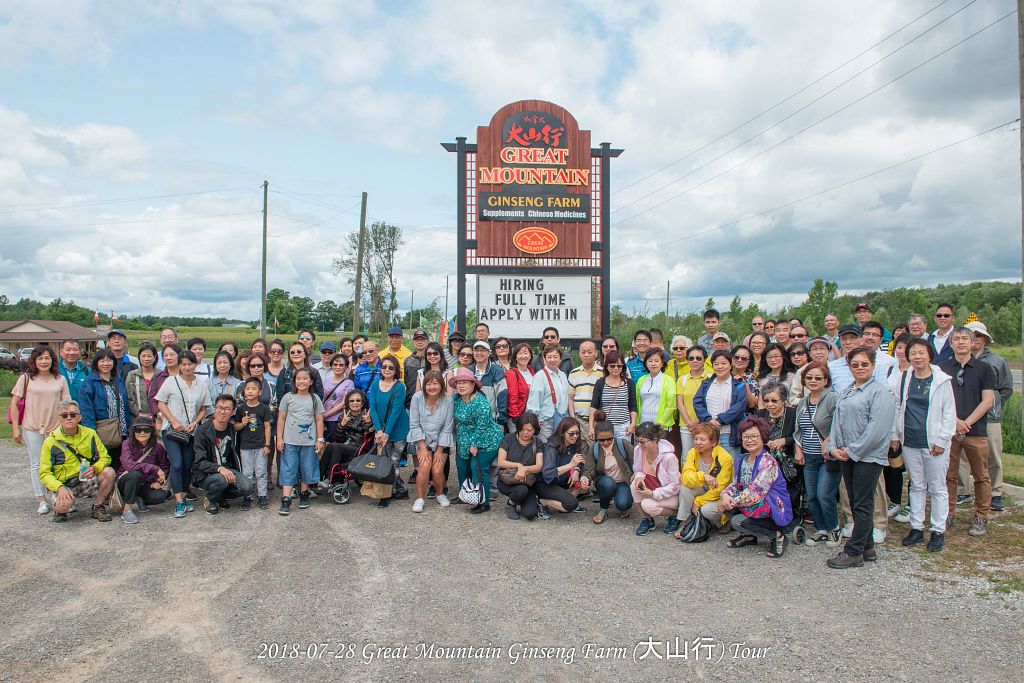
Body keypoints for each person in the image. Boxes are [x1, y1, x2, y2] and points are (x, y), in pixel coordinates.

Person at [827, 348, 897, 569]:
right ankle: (868, 547)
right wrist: (833, 447)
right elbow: (837, 421)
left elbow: (877, 429)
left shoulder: (880, 393)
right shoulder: (847, 391)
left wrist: (853, 450)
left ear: (873, 366)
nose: (859, 368)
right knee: (856, 501)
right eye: (855, 364)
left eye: (864, 364)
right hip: (846, 455)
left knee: (863, 503)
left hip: (868, 457)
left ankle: (854, 551)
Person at [891, 338, 955, 553]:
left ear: (930, 354)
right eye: (913, 353)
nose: (917, 357)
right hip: (910, 440)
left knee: (937, 487)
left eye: (921, 352)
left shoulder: (942, 380)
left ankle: (938, 530)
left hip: (933, 442)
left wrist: (942, 440)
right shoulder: (904, 378)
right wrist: (895, 434)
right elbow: (898, 406)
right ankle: (916, 527)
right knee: (917, 485)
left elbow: (949, 413)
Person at [938, 327, 994, 536]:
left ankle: (981, 516)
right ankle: (948, 513)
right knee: (948, 475)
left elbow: (987, 401)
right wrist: (955, 422)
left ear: (972, 343)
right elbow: (938, 401)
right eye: (956, 339)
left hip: (976, 430)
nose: (960, 342)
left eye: (964, 338)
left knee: (981, 475)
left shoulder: (984, 368)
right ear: (951, 343)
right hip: (949, 430)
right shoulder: (942, 368)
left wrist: (966, 423)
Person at [719, 416, 794, 557]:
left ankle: (778, 535)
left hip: (770, 506)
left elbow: (755, 494)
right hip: (750, 503)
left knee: (736, 520)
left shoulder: (768, 462)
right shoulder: (741, 459)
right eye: (746, 437)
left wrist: (730, 502)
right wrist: (724, 495)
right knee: (725, 503)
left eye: (754, 436)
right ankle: (749, 536)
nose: (750, 440)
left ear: (763, 437)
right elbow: (735, 484)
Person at [10, 345, 71, 513]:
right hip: (32, 427)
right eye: (40, 358)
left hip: (56, 429)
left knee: (58, 463)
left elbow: (67, 404)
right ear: (34, 361)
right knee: (37, 464)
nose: (44, 361)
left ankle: (59, 496)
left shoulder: (60, 379)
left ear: (53, 360)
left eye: (47, 358)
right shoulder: (26, 378)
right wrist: (15, 429)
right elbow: (14, 404)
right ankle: (42, 499)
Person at [961, 321, 1012, 512]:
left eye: (979, 336)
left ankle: (995, 493)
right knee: (962, 456)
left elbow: (1006, 389)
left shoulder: (997, 361)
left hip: (990, 418)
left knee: (993, 456)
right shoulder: (958, 360)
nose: (975, 340)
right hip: (963, 417)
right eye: (971, 336)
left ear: (985, 339)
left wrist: (994, 404)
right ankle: (963, 491)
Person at [39, 400, 116, 522]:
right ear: (59, 418)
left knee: (109, 472)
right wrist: (59, 487)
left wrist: (95, 468)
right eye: (64, 415)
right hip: (64, 485)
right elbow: (44, 473)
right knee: (63, 506)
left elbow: (105, 457)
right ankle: (61, 510)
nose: (69, 418)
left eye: (73, 414)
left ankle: (98, 507)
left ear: (79, 417)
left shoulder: (90, 434)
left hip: (85, 480)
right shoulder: (50, 441)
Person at [155, 349, 210, 518]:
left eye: (190, 364)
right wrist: (173, 421)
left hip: (190, 432)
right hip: (171, 430)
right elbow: (161, 403)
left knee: (187, 465)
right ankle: (178, 501)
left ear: (195, 365)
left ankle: (184, 497)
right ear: (179, 365)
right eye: (183, 364)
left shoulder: (201, 385)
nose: (186, 367)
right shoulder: (171, 381)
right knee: (177, 464)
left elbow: (204, 408)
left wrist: (195, 422)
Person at [793, 361, 841, 546]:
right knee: (812, 496)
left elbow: (839, 424)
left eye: (818, 378)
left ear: (826, 381)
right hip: (808, 457)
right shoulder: (802, 402)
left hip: (827, 457)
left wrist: (828, 442)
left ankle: (834, 528)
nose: (813, 381)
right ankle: (821, 529)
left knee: (824, 494)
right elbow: (798, 430)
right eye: (809, 377)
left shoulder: (832, 399)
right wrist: (798, 449)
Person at [451, 367, 504, 514]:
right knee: (461, 466)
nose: (461, 385)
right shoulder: (457, 398)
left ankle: (483, 502)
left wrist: (474, 444)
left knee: (478, 468)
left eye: (465, 382)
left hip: (487, 440)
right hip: (464, 439)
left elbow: (482, 427)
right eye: (458, 382)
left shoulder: (480, 402)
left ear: (473, 384)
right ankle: (465, 494)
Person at [276, 368, 326, 515]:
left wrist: (320, 439)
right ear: (294, 381)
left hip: (309, 442)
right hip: (290, 441)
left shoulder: (315, 399)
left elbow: (319, 420)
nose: (301, 381)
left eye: (305, 379)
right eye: (298, 379)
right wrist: (279, 438)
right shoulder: (288, 397)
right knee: (288, 468)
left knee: (307, 467)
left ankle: (304, 493)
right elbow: (281, 419)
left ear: (311, 382)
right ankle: (286, 498)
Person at [192, 394, 252, 514]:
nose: (223, 412)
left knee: (247, 487)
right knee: (221, 480)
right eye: (219, 408)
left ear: (232, 412)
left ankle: (220, 495)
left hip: (228, 469)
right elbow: (199, 461)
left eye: (227, 409)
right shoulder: (203, 430)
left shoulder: (232, 430)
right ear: (215, 409)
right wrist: (220, 468)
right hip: (207, 473)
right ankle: (210, 499)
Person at [673, 422, 733, 536]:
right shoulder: (693, 452)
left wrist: (698, 502)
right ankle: (685, 523)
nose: (698, 442)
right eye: (696, 439)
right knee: (685, 488)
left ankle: (723, 523)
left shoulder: (725, 458)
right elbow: (685, 477)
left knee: (706, 510)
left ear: (713, 442)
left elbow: (720, 488)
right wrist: (703, 476)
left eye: (702, 439)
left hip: (718, 495)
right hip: (703, 489)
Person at [407, 371, 454, 512]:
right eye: (428, 384)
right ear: (424, 385)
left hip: (441, 440)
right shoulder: (417, 398)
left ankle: (440, 494)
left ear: (441, 385)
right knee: (424, 467)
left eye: (435, 383)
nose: (432, 387)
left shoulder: (448, 400)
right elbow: (414, 424)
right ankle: (420, 498)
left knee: (437, 469)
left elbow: (447, 427)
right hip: (422, 438)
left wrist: (439, 450)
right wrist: (422, 448)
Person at [78, 349, 130, 471]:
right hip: (102, 432)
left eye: (109, 360)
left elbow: (125, 405)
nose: (106, 364)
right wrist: (92, 434)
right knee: (105, 464)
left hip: (121, 431)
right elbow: (86, 410)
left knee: (120, 464)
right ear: (96, 363)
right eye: (102, 361)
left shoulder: (117, 379)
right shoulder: (89, 382)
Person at [368, 356, 410, 506]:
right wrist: (379, 430)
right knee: (384, 461)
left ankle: (388, 493)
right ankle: (398, 489)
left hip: (398, 429)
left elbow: (396, 411)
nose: (387, 370)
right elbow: (373, 408)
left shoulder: (399, 386)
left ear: (395, 370)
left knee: (394, 461)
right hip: (381, 429)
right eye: (384, 366)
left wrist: (387, 433)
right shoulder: (375, 384)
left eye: (391, 367)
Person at [115, 415, 171, 523]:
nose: (142, 433)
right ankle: (127, 510)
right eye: (138, 429)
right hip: (126, 481)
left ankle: (139, 499)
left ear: (151, 431)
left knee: (161, 496)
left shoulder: (158, 447)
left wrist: (158, 481)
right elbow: (130, 465)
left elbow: (165, 466)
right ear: (133, 431)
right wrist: (154, 468)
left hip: (145, 483)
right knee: (135, 475)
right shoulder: (127, 444)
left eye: (146, 430)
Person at [693, 350, 748, 459]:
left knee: (730, 465)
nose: (720, 367)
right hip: (708, 434)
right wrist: (708, 420)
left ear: (730, 365)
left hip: (728, 434)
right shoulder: (706, 383)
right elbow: (697, 402)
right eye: (716, 364)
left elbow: (739, 407)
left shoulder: (738, 385)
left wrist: (720, 420)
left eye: (723, 363)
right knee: (708, 465)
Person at [630, 422, 681, 535]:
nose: (640, 445)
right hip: (653, 486)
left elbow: (675, 485)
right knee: (634, 485)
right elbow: (638, 469)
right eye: (638, 441)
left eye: (643, 442)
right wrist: (639, 478)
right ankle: (647, 520)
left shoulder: (669, 457)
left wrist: (653, 494)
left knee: (647, 505)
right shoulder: (638, 450)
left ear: (655, 440)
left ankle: (675, 515)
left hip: (672, 494)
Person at [755, 385, 798, 518]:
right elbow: (756, 435)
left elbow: (800, 435)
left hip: (788, 458)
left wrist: (785, 440)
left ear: (783, 400)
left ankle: (789, 513)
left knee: (789, 489)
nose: (770, 404)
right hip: (767, 460)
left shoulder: (792, 413)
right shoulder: (761, 414)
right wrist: (765, 442)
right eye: (766, 400)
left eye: (774, 401)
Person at [496, 412, 546, 520]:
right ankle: (511, 503)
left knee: (530, 514)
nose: (525, 433)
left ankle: (526, 499)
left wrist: (525, 469)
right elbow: (500, 462)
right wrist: (518, 465)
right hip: (507, 480)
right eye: (522, 429)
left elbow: (539, 466)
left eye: (529, 430)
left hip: (527, 482)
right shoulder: (508, 438)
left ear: (535, 430)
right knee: (521, 490)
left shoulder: (538, 443)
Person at [586, 415, 634, 524]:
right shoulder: (594, 448)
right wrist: (585, 478)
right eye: (601, 440)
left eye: (609, 439)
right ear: (596, 437)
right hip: (605, 482)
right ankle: (603, 509)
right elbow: (589, 468)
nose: (606, 442)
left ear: (613, 435)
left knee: (623, 504)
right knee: (608, 483)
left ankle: (622, 503)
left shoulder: (623, 444)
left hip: (623, 481)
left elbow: (635, 462)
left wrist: (636, 476)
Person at [234, 377, 272, 510]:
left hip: (260, 445)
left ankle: (263, 495)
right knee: (247, 472)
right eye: (247, 389)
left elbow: (267, 427)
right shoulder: (240, 408)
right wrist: (242, 423)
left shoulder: (264, 408)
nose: (250, 391)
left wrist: (267, 445)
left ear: (259, 392)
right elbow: (235, 427)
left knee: (261, 472)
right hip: (245, 446)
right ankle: (247, 496)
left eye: (253, 389)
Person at [538, 417, 587, 516]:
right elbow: (547, 474)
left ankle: (566, 502)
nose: (575, 436)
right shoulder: (552, 446)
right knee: (571, 504)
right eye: (571, 433)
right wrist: (571, 465)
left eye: (577, 432)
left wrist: (576, 470)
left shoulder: (575, 443)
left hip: (561, 480)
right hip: (546, 484)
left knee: (584, 481)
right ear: (562, 433)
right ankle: (542, 501)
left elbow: (580, 462)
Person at [527, 343, 570, 440]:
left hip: (562, 419)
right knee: (546, 447)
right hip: (546, 422)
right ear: (544, 359)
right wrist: (535, 419)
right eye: (549, 357)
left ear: (560, 358)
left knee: (560, 446)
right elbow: (534, 400)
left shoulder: (563, 375)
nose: (552, 360)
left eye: (555, 357)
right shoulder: (540, 376)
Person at [675, 345, 711, 458]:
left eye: (698, 358)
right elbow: (680, 403)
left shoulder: (711, 378)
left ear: (704, 360)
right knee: (687, 456)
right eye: (691, 358)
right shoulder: (682, 380)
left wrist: (698, 421)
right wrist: (689, 422)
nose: (695, 361)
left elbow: (710, 403)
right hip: (686, 426)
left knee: (706, 456)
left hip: (706, 424)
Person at [567, 340, 602, 453]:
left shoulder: (603, 372)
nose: (586, 355)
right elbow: (570, 398)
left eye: (589, 352)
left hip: (596, 421)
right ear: (579, 354)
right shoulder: (574, 373)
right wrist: (573, 418)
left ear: (596, 353)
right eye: (583, 352)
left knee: (596, 451)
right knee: (580, 452)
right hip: (578, 420)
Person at [634, 348, 677, 436]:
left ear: (662, 363)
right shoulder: (641, 380)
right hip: (643, 424)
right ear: (646, 363)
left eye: (656, 361)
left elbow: (671, 405)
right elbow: (637, 402)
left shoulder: (669, 380)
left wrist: (660, 424)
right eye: (650, 361)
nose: (653, 364)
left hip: (661, 426)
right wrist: (638, 422)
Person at [471, 340, 508, 430]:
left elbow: (502, 396)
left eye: (483, 350)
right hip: (472, 421)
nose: (479, 353)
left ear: (488, 353)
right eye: (476, 350)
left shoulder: (496, 371)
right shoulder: (469, 372)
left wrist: (500, 421)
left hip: (491, 421)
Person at [321, 353, 354, 442]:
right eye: (335, 364)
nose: (338, 367)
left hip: (337, 419)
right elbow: (321, 399)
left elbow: (344, 403)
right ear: (331, 366)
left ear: (346, 367)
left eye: (341, 365)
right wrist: (321, 415)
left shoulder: (349, 383)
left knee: (334, 444)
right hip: (322, 419)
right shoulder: (325, 382)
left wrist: (326, 415)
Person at [147, 345, 180, 425]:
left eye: (172, 355)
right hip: (162, 420)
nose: (168, 358)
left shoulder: (186, 376)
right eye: (165, 355)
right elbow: (152, 399)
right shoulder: (158, 378)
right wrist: (159, 414)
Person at [505, 342, 534, 431]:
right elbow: (512, 397)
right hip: (517, 417)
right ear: (515, 357)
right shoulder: (511, 373)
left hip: (530, 417)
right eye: (520, 353)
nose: (523, 356)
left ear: (530, 356)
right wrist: (516, 418)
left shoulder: (532, 371)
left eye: (525, 353)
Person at [125, 343, 159, 419]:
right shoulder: (132, 375)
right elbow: (129, 398)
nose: (146, 359)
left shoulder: (160, 375)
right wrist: (138, 414)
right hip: (138, 418)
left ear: (154, 357)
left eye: (149, 356)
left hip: (159, 417)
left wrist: (158, 414)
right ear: (139, 357)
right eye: (143, 356)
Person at [403, 330, 430, 402]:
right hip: (410, 400)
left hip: (429, 400)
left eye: (422, 339)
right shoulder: (408, 361)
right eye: (417, 340)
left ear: (427, 341)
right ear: (413, 342)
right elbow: (406, 382)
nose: (419, 342)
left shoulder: (431, 359)